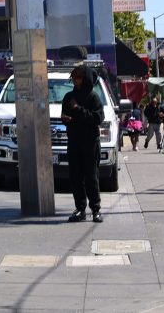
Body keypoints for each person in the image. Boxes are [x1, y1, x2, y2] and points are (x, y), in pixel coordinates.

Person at [62, 64, 105, 223]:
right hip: (74, 141)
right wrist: (65, 119)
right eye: (73, 77)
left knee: (91, 176)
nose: (74, 80)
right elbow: (65, 115)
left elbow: (98, 118)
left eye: (77, 77)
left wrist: (78, 109)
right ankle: (80, 209)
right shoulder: (68, 97)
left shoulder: (93, 97)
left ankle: (96, 210)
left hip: (90, 143)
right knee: (75, 176)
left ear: (84, 78)